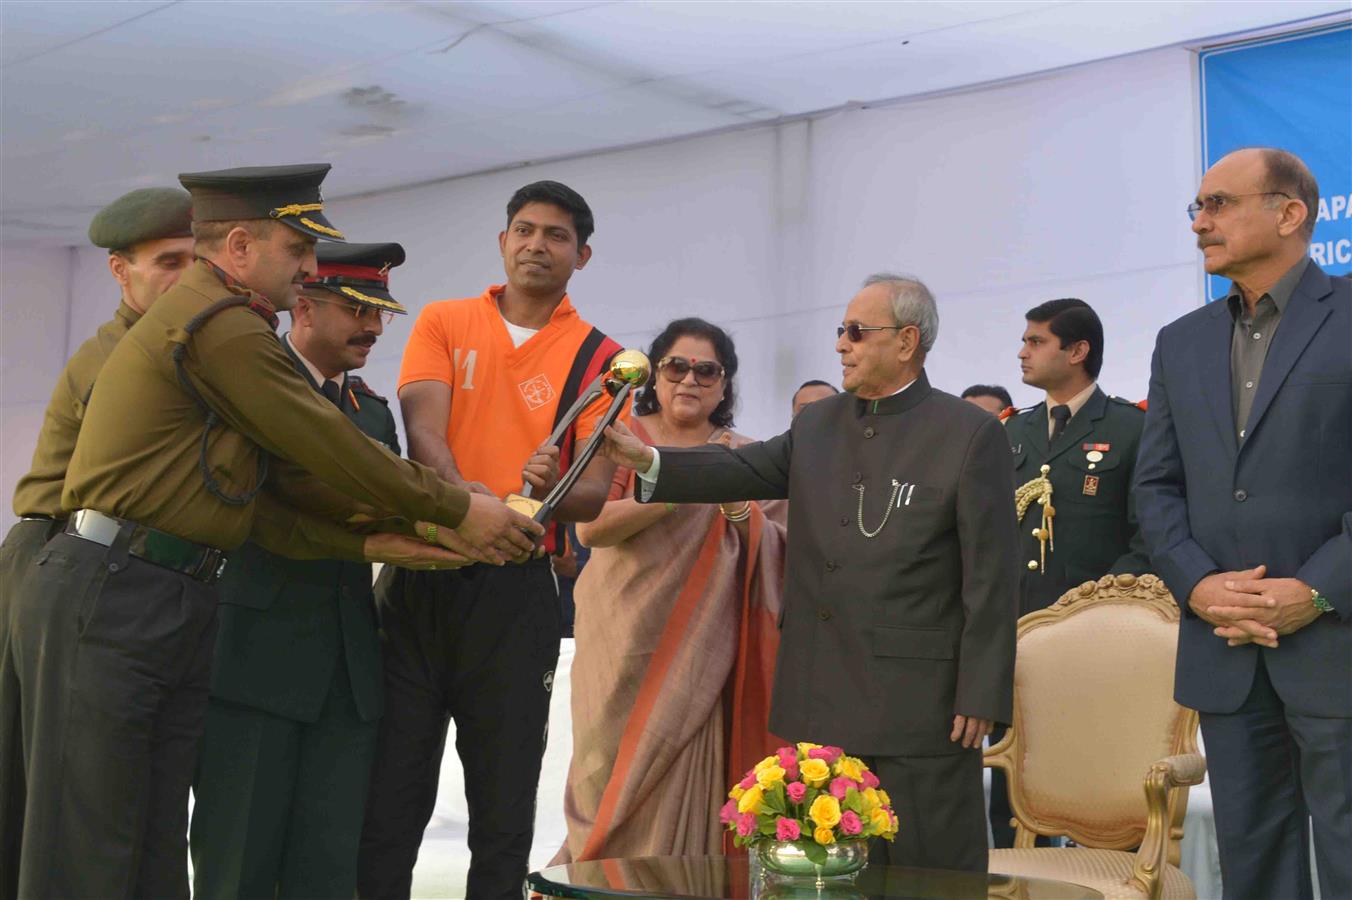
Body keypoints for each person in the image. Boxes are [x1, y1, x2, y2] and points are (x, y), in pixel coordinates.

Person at [8, 165, 538, 899]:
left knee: (152, 845)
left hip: (161, 589)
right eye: (298, 252)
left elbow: (271, 495)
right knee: (92, 847)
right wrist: (452, 509)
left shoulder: (225, 324)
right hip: (113, 586)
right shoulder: (219, 325)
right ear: (237, 246)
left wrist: (383, 539)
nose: (311, 270)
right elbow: (325, 444)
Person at [597, 273, 1018, 873]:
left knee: (931, 871)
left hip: (921, 703)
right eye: (840, 331)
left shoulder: (968, 433)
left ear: (905, 342)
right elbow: (740, 467)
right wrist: (649, 460)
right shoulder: (818, 425)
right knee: (829, 869)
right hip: (823, 685)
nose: (841, 344)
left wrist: (982, 689)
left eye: (856, 332)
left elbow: (992, 577)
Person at [357, 180, 626, 900]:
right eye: (525, 230)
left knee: (503, 815)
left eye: (557, 235)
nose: (537, 244)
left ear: (583, 254)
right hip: (421, 576)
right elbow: (424, 435)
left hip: (517, 590)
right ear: (504, 241)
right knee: (389, 800)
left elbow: (599, 489)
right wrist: (466, 501)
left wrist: (555, 483)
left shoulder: (603, 356)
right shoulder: (445, 320)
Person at [1135, 147, 1350, 900]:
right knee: (1253, 866)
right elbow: (1156, 488)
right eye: (1196, 207)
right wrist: (1197, 586)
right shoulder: (1180, 341)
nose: (1200, 222)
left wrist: (1315, 591)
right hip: (1224, 649)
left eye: (1219, 203)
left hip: (1336, 643)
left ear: (1289, 213)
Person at [189, 242, 411, 898]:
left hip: (346, 675)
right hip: (255, 665)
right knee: (240, 863)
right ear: (304, 307)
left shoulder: (370, 409)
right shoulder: (251, 384)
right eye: (356, 309)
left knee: (327, 867)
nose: (371, 327)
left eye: (380, 313)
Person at [0, 186, 195, 896]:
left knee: (134, 822)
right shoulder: (125, 356)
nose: (185, 276)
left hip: (110, 574)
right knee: (77, 820)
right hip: (64, 562)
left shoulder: (175, 347)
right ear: (121, 271)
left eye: (196, 260)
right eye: (167, 260)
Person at [555, 317, 787, 863]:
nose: (690, 380)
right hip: (621, 629)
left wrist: (735, 506)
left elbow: (782, 547)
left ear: (724, 384)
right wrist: (684, 486)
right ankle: (596, 876)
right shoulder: (620, 440)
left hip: (708, 644)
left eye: (707, 370)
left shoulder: (745, 455)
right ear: (654, 376)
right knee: (602, 766)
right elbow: (589, 528)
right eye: (675, 366)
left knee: (693, 768)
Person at [989, 298, 1150, 848]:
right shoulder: (1012, 432)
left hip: (1097, 644)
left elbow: (1147, 537)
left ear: (1077, 351)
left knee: (1101, 790)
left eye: (1036, 341)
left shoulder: (1131, 429)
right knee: (1009, 789)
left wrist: (1098, 612)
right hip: (1015, 636)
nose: (1022, 351)